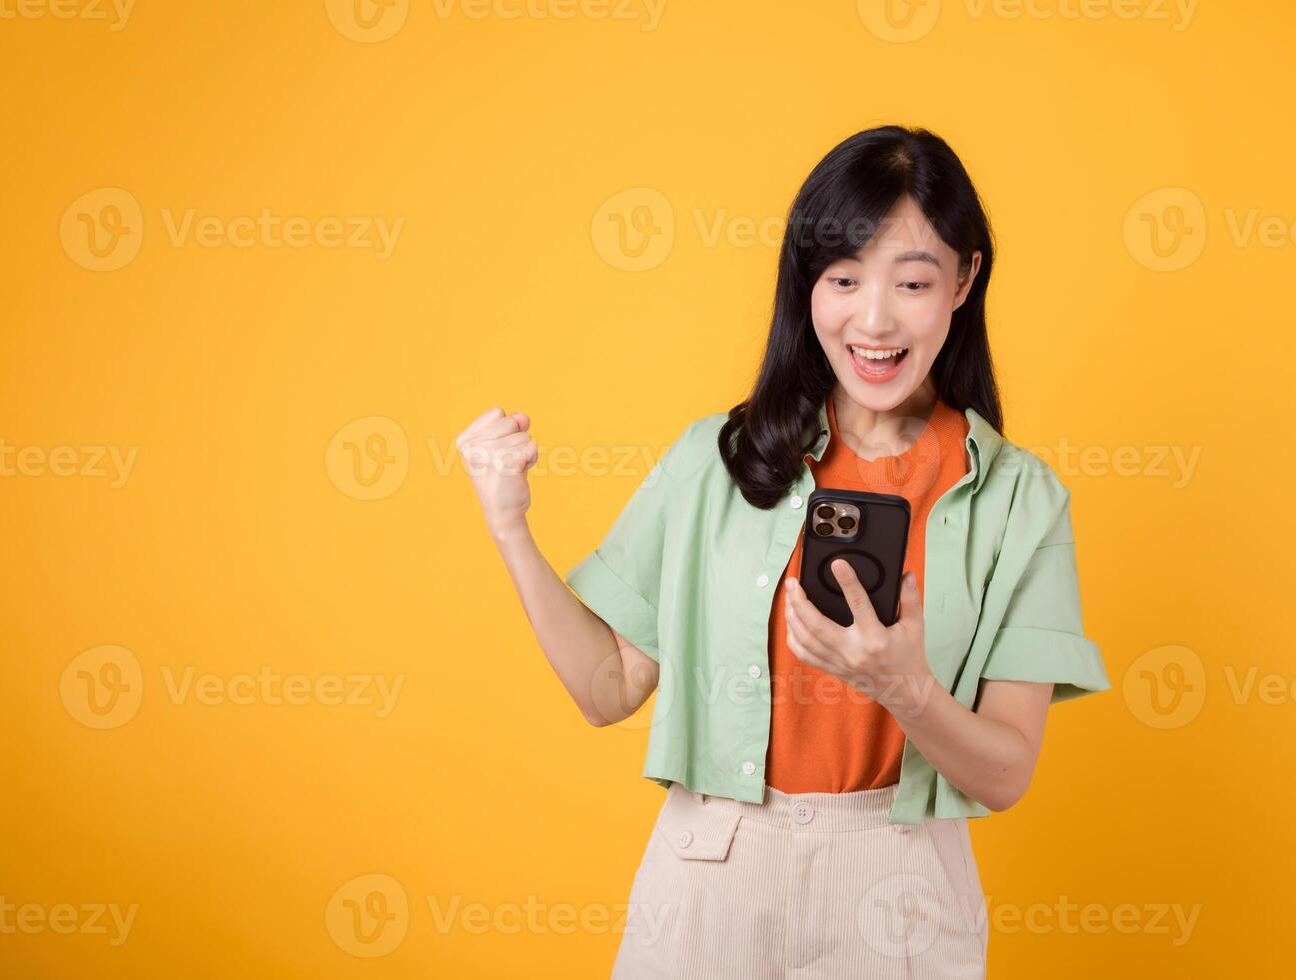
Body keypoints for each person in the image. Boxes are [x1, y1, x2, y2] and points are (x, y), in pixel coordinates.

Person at [458, 124, 1112, 979]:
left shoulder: (1019, 499)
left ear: (964, 279)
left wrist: (904, 688)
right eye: (843, 279)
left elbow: (1005, 772)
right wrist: (510, 524)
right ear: (808, 283)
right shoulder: (715, 458)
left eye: (912, 282)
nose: (873, 320)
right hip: (710, 878)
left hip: (901, 887)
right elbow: (606, 688)